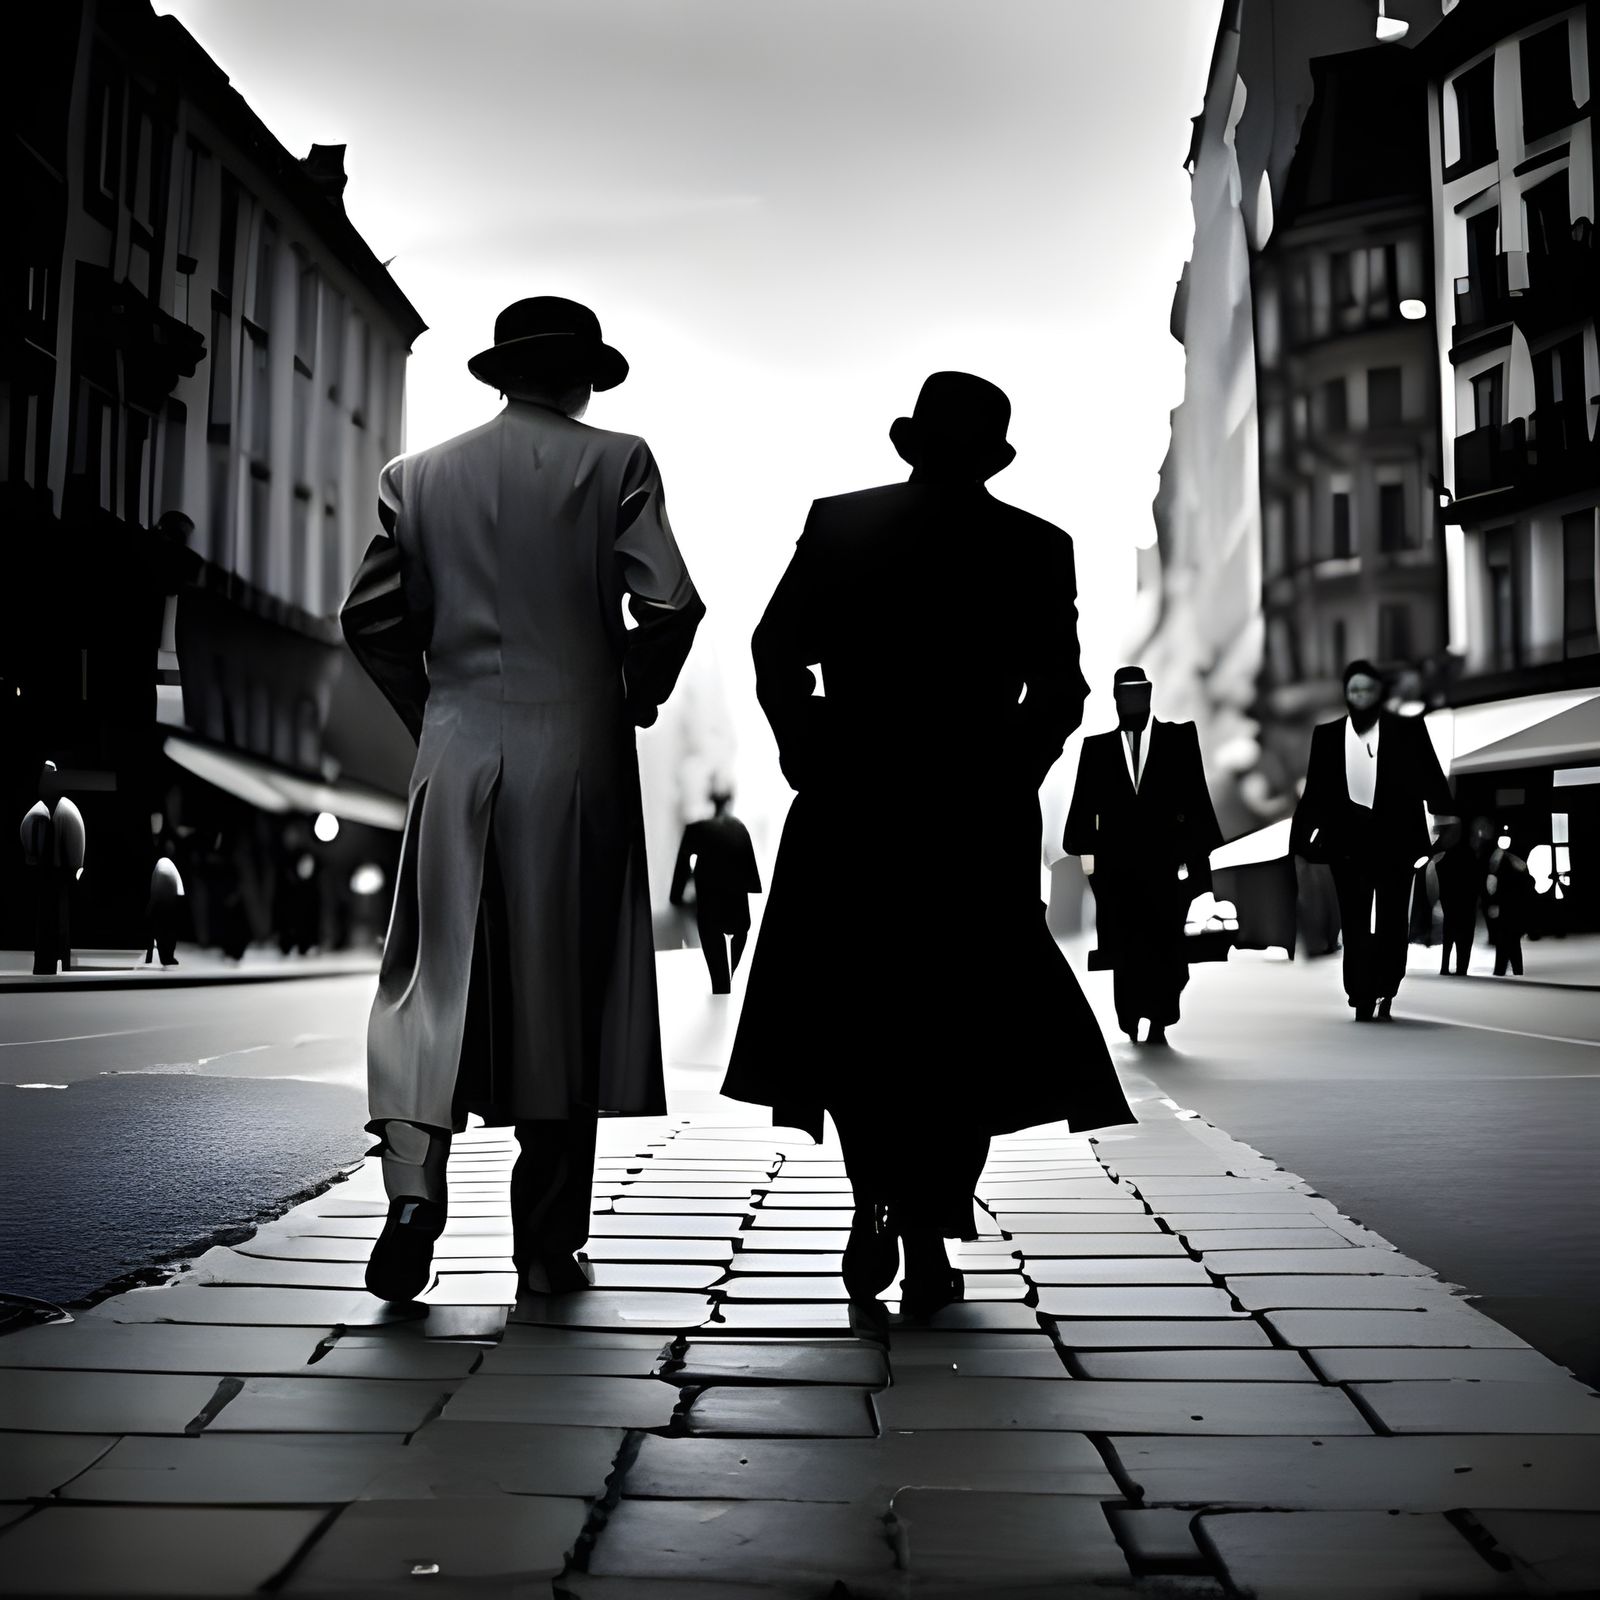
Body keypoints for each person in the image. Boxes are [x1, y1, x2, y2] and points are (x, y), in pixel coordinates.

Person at [722, 371, 1135, 1320]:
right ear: (990, 456)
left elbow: (773, 646)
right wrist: (1013, 771)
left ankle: (876, 1197)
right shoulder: (1036, 545)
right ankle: (928, 1225)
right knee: (963, 1020)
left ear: (912, 445)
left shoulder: (841, 524)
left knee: (860, 1009)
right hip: (974, 814)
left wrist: (807, 746)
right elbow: (1065, 689)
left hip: (854, 801)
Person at [341, 296, 704, 1303]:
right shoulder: (617, 460)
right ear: (583, 378)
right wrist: (631, 685)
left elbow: (368, 619)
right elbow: (670, 599)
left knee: (429, 978)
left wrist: (439, 715)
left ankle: (413, 1196)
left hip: (456, 751)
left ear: (501, 375)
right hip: (575, 752)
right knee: (561, 987)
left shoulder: (415, 479)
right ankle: (545, 1247)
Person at [1064, 666, 1222, 1045]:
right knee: (1128, 946)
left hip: (1166, 867)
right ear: (1116, 698)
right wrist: (1093, 868)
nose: (1133, 700)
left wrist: (1199, 873)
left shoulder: (1179, 739)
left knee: (1165, 943)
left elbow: (1196, 801)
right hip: (1117, 871)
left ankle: (1161, 1017)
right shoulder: (1097, 748)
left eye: (1139, 692)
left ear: (1149, 694)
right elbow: (1083, 810)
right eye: (1125, 693)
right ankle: (1132, 1017)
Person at [1290, 660, 1455, 1021]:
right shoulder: (1328, 736)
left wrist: (1446, 820)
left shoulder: (1407, 730)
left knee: (1394, 919)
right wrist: (1300, 840)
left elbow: (1430, 774)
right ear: (1346, 695)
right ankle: (1361, 993)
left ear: (1378, 693)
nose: (1361, 697)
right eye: (1354, 691)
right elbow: (1315, 792)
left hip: (1396, 842)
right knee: (1355, 921)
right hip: (1347, 844)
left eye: (1367, 690)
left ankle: (1387, 986)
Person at [669, 789, 762, 994]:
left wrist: (676, 896)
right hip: (736, 902)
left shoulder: (697, 829)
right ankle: (727, 985)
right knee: (732, 964)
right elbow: (750, 872)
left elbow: (682, 864)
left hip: (710, 902)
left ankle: (723, 987)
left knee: (720, 976)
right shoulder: (739, 827)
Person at [19, 760, 86, 976]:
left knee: (57, 920)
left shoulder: (63, 809)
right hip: (49, 873)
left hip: (58, 873)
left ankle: (56, 963)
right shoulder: (43, 812)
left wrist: (76, 865)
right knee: (48, 919)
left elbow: (75, 838)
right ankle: (47, 964)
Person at [1435, 816, 1491, 976]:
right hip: (1466, 903)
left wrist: (1444, 898)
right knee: (1464, 939)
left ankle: (1445, 967)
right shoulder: (1472, 856)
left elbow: (1442, 876)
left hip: (1452, 903)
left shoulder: (1449, 855)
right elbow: (1478, 879)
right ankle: (1461, 968)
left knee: (1449, 936)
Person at [1483, 826, 1531, 977]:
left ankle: (1504, 969)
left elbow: (1492, 883)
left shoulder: (1501, 859)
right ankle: (1512, 969)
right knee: (1509, 940)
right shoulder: (1510, 860)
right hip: (1510, 905)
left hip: (1508, 905)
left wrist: (1493, 901)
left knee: (1507, 939)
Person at [145, 849, 184, 966]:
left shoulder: (162, 866)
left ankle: (159, 955)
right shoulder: (166, 866)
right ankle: (166, 956)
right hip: (168, 896)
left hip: (163, 895)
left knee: (161, 927)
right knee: (168, 927)